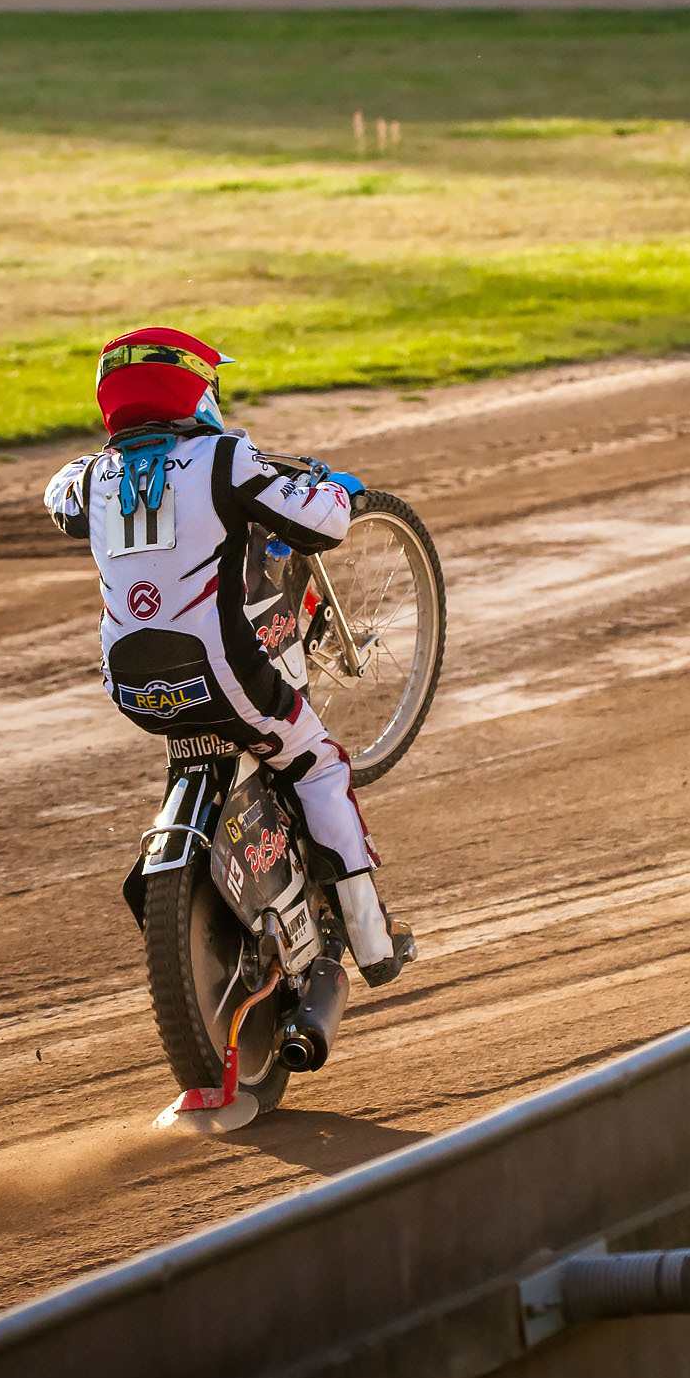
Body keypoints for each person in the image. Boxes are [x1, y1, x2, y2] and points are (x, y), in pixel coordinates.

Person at [44, 326, 410, 984]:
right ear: (196, 387)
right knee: (318, 763)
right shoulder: (223, 457)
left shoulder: (92, 476)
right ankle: (375, 941)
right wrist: (334, 490)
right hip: (220, 672)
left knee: (210, 732)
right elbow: (322, 523)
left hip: (128, 683)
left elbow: (60, 498)